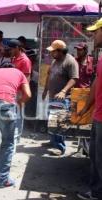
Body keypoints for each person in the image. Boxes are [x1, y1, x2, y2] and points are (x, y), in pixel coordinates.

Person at [0, 65, 31, 187]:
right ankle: (3, 179)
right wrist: (19, 103)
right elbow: (28, 95)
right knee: (7, 142)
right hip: (5, 104)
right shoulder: (19, 73)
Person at [77, 18, 102, 200]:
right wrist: (86, 107)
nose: (92, 34)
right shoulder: (101, 58)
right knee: (95, 157)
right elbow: (95, 83)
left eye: (96, 31)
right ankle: (96, 191)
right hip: (98, 116)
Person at [42, 40, 79, 155]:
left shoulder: (70, 61)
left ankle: (60, 147)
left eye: (53, 51)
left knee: (60, 123)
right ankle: (53, 142)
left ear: (60, 51)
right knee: (52, 121)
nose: (51, 53)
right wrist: (45, 90)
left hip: (63, 98)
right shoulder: (55, 61)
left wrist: (63, 91)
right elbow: (49, 75)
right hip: (53, 97)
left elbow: (74, 78)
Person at [9, 39, 32, 144]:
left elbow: (26, 78)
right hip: (13, 90)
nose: (10, 50)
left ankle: (17, 137)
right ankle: (13, 135)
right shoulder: (14, 58)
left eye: (12, 48)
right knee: (13, 114)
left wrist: (23, 94)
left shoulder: (25, 60)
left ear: (17, 48)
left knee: (18, 116)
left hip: (20, 91)